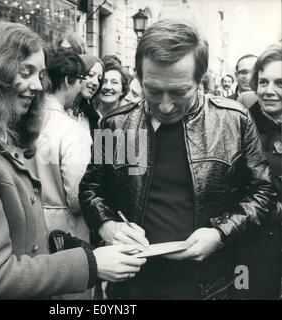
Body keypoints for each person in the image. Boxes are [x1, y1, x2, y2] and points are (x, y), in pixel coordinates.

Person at [0, 22, 146, 299]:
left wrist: (79, 246)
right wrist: (92, 263)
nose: (38, 85)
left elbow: (23, 243)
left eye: (39, 74)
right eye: (26, 72)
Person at [79, 19, 277, 300]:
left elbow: (262, 194)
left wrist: (220, 233)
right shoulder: (117, 125)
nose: (165, 105)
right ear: (138, 76)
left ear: (200, 79)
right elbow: (92, 190)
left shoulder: (233, 121)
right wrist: (108, 226)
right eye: (154, 91)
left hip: (210, 286)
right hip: (133, 285)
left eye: (179, 91)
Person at [30, 49, 93, 299]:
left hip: (29, 230)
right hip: (66, 234)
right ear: (68, 81)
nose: (81, 88)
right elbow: (78, 197)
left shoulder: (25, 122)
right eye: (80, 81)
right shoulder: (72, 131)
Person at [234, 43, 282, 299]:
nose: (269, 91)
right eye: (263, 82)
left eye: (280, 83)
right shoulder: (240, 124)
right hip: (253, 249)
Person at [71, 54, 104, 139]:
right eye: (90, 75)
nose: (96, 83)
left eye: (99, 79)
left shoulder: (96, 118)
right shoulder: (58, 110)